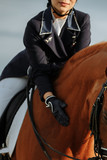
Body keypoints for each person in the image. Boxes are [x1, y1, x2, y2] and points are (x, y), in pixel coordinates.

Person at [0, 0, 91, 148]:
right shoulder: (34, 25)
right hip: (23, 73)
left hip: (58, 73)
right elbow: (39, 70)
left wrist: (54, 68)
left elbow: (77, 65)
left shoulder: (82, 21)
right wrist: (50, 98)